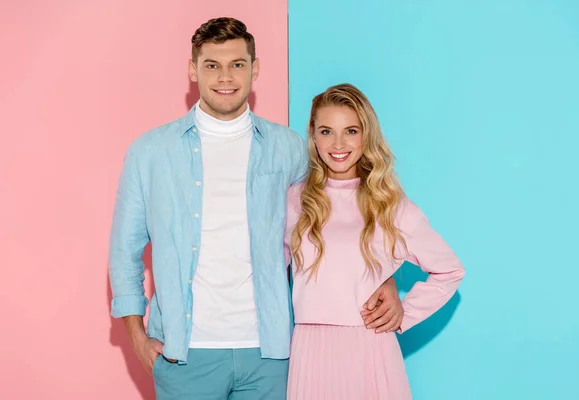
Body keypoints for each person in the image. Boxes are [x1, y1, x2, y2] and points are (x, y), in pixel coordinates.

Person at [108, 18, 404, 400]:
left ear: (255, 68)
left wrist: (384, 278)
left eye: (237, 64)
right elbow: (124, 250)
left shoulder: (291, 149)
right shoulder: (150, 153)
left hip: (272, 353)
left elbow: (339, 221)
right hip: (184, 354)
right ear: (192, 69)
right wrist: (135, 335)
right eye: (212, 65)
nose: (225, 77)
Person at [284, 83, 466, 399]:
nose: (338, 143)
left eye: (350, 131)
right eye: (326, 131)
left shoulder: (390, 205)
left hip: (370, 350)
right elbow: (263, 272)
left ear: (366, 135)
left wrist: (404, 311)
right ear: (312, 136)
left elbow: (450, 271)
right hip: (309, 351)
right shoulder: (294, 200)